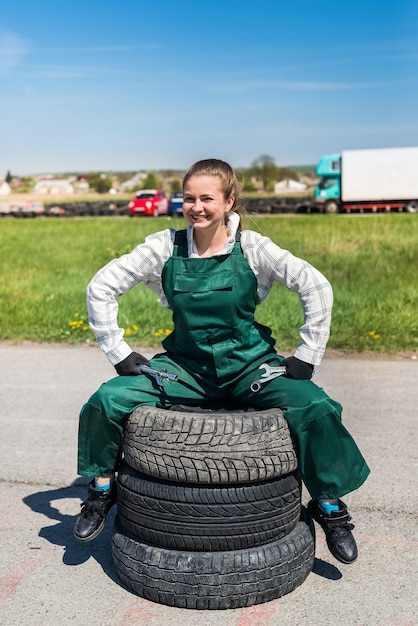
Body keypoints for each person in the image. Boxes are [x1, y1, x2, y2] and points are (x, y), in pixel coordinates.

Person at [74, 158, 369, 564]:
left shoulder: (252, 246)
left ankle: (329, 505)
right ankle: (102, 490)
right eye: (189, 198)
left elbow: (315, 285)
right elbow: (101, 286)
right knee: (107, 399)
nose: (197, 207)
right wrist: (118, 352)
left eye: (207, 198)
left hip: (249, 366)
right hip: (184, 370)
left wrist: (307, 356)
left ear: (229, 201)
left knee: (314, 406)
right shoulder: (164, 246)